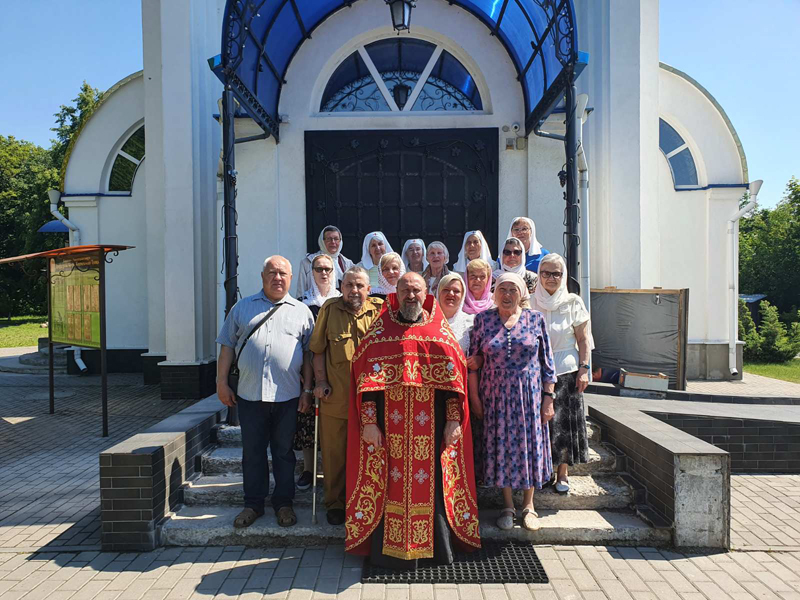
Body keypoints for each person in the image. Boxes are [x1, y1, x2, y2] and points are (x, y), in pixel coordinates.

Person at [346, 272, 481, 566]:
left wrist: (453, 421)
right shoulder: (380, 332)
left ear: (426, 292)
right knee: (388, 483)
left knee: (433, 484)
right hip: (387, 429)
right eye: (405, 290)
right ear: (395, 293)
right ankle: (389, 552)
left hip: (432, 429)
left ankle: (435, 550)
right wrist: (368, 421)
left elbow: (453, 386)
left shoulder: (439, 332)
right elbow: (365, 381)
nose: (411, 295)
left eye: (416, 290)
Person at [216, 256, 315, 529]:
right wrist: (221, 382)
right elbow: (226, 346)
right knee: (253, 452)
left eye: (283, 273)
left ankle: (284, 504)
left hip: (288, 396)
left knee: (284, 452)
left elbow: (309, 355)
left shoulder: (302, 312)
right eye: (272, 273)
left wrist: (307, 390)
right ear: (262, 276)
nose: (277, 278)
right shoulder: (242, 307)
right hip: (250, 395)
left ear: (291, 278)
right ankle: (253, 504)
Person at [468, 272, 556, 531]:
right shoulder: (483, 320)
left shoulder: (535, 319)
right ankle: (507, 505)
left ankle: (529, 505)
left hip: (529, 396)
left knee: (529, 445)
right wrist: (475, 398)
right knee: (502, 447)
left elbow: (547, 363)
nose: (507, 295)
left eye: (512, 290)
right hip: (495, 397)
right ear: (494, 293)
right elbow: (474, 360)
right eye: (502, 289)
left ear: (522, 294)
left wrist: (548, 398)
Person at [309, 266, 383, 525]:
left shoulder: (380, 311)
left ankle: (369, 500)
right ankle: (336, 503)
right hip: (337, 398)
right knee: (334, 455)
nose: (354, 290)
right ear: (341, 287)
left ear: (369, 289)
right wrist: (320, 381)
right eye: (349, 285)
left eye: (360, 285)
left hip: (372, 400)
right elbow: (318, 350)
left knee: (371, 454)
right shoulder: (329, 310)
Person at [530, 253, 593, 494]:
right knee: (541, 425)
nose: (551, 278)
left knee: (563, 425)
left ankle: (562, 473)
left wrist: (584, 369)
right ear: (539, 275)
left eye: (556, 273)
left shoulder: (573, 302)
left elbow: (583, 339)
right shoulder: (530, 301)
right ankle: (543, 471)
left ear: (563, 275)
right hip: (536, 372)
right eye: (545, 273)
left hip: (566, 371)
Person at [295, 254, 342, 490]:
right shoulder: (301, 303)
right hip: (309, 370)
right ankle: (309, 469)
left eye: (327, 269)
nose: (323, 273)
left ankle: (335, 469)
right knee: (308, 422)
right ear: (311, 272)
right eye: (319, 269)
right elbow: (300, 341)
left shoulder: (341, 301)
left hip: (337, 370)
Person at [296, 225, 354, 296]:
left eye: (336, 239)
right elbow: (301, 291)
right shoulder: (308, 262)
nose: (333, 242)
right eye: (329, 239)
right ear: (322, 241)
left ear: (340, 241)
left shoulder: (348, 264)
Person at [437, 273, 474, 354]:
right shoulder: (427, 321)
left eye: (456, 291)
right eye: (446, 290)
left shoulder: (470, 323)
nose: (451, 293)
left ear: (463, 295)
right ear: (438, 293)